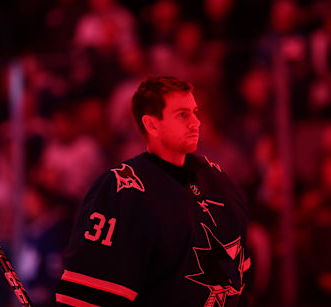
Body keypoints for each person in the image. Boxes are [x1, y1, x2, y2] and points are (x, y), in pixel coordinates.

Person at [55, 76, 252, 306]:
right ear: (151, 124)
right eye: (182, 115)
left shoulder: (218, 181)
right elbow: (86, 300)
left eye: (195, 112)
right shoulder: (123, 192)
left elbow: (241, 280)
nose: (196, 122)